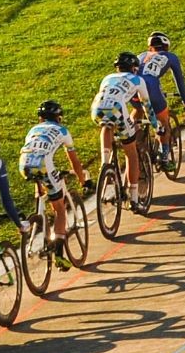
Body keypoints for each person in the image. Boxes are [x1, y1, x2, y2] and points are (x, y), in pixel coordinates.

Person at [91, 52, 156, 201]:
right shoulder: (138, 80)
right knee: (131, 152)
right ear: (134, 68)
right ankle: (134, 198)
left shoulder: (107, 78)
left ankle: (105, 164)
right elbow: (147, 106)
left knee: (106, 126)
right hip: (117, 109)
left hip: (96, 108)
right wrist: (155, 125)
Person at [20, 100, 83, 239]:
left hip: (24, 163)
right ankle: (59, 251)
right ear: (59, 118)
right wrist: (83, 181)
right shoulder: (63, 131)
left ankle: (44, 233)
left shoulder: (33, 130)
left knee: (40, 187)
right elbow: (74, 161)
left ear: (40, 118)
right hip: (44, 165)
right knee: (59, 208)